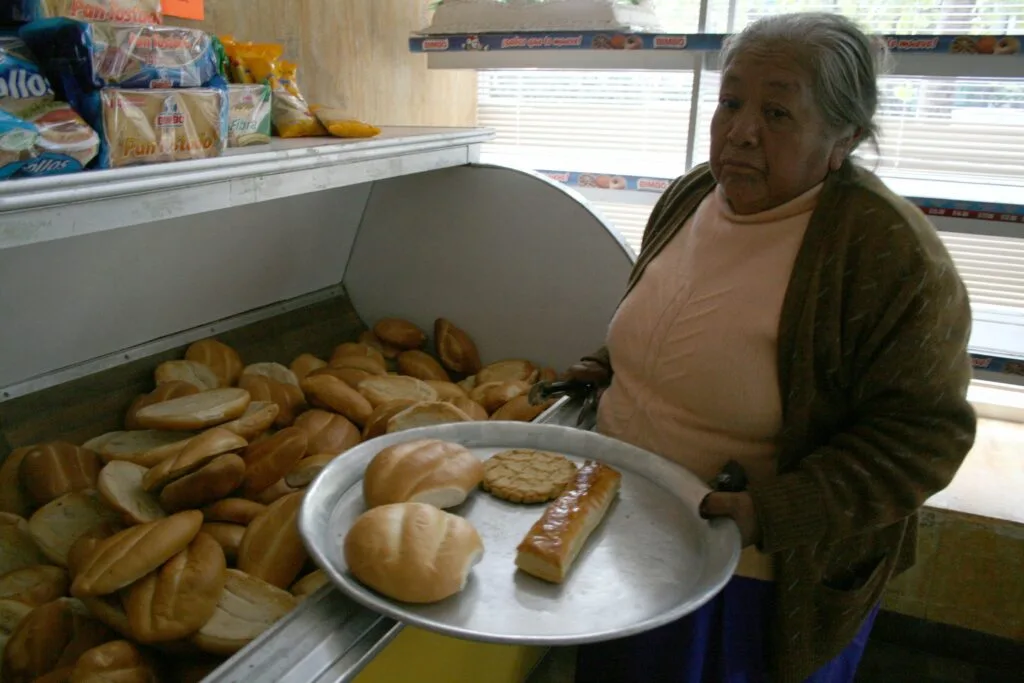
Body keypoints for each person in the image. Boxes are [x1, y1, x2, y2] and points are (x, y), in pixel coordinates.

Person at [569, 12, 976, 683]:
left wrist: (775, 511)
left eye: (778, 112)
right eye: (730, 102)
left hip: (754, 579)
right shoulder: (694, 193)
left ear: (844, 137)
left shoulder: (888, 255)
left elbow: (924, 436)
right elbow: (671, 323)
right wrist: (604, 366)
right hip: (626, 531)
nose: (741, 130)